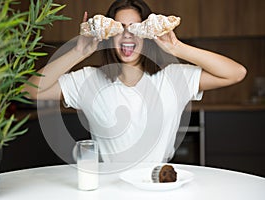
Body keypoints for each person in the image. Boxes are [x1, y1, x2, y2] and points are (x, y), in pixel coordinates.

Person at [23, 0, 246, 163]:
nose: (127, 36)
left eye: (135, 28)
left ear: (146, 35)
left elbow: (235, 73)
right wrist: (79, 52)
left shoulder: (174, 78)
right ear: (110, 36)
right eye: (120, 29)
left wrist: (176, 47)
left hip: (158, 187)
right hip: (108, 188)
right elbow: (30, 91)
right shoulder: (89, 80)